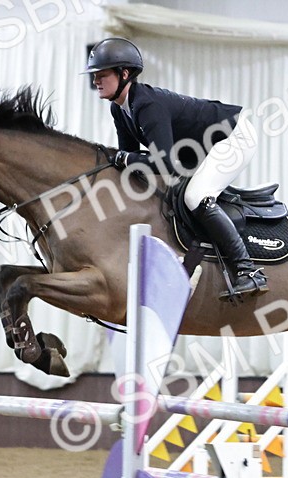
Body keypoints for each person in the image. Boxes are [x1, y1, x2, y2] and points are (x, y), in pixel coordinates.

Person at [84, 37, 266, 299]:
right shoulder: (119, 109)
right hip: (198, 147)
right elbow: (132, 159)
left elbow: (162, 163)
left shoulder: (147, 105)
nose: (95, 81)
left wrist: (124, 159)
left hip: (234, 136)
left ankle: (248, 272)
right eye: (94, 76)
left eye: (101, 75)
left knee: (196, 196)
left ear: (124, 74)